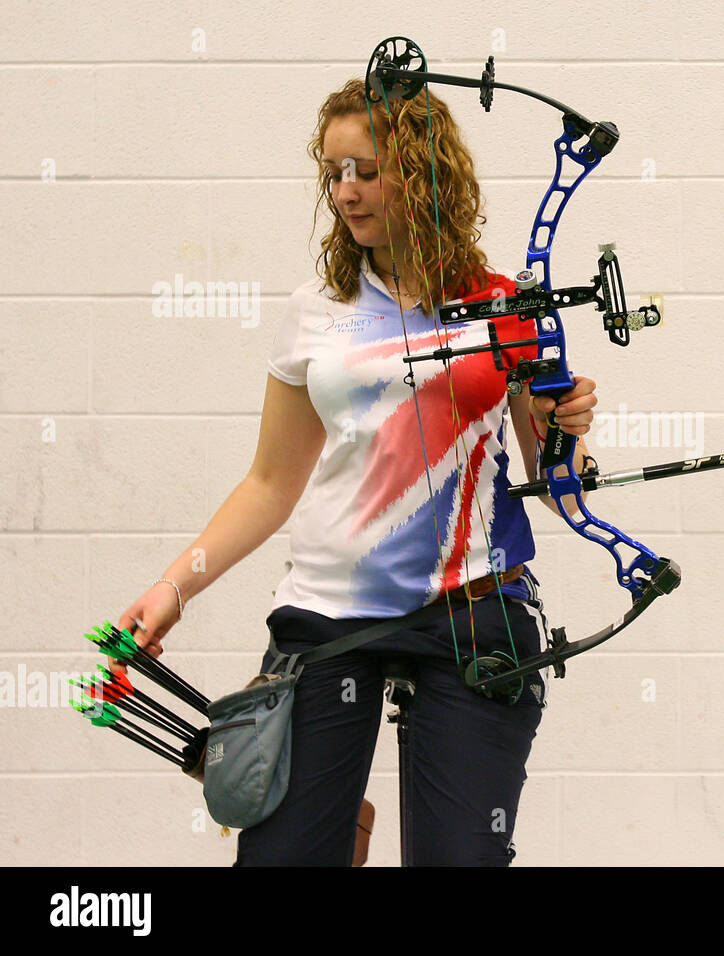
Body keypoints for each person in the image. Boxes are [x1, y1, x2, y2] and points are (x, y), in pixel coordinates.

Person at [114, 77, 599, 865]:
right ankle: (335, 815)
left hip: (472, 613)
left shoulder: (507, 304)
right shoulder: (317, 308)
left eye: (367, 171)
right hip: (329, 617)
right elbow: (272, 482)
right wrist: (175, 586)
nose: (346, 191)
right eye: (334, 173)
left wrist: (564, 428)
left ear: (424, 170)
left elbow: (559, 487)